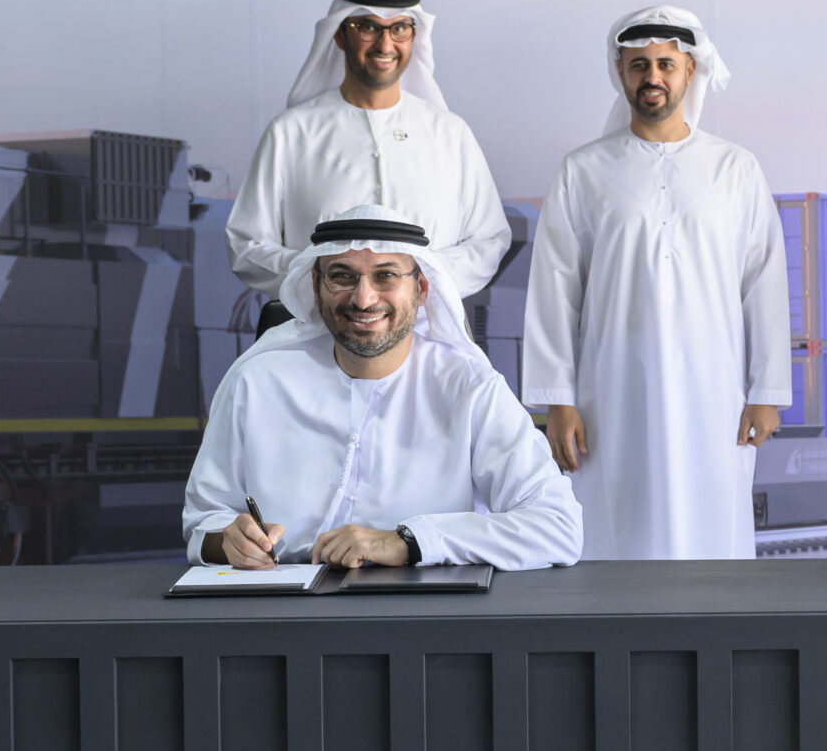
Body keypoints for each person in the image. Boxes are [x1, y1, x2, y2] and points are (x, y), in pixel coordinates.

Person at [520, 6, 792, 559]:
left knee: (712, 532)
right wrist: (557, 402)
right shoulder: (583, 170)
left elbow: (763, 282)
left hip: (715, 395)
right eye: (639, 64)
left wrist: (767, 394)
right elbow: (555, 289)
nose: (652, 77)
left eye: (666, 64)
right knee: (619, 529)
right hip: (613, 396)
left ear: (690, 71)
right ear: (620, 72)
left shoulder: (735, 169)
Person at [184, 206, 580, 570]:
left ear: (421, 289)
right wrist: (228, 541)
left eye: (386, 275)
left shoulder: (470, 388)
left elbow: (557, 526)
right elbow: (205, 520)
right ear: (316, 286)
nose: (363, 298)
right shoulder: (255, 381)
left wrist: (409, 541)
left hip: (422, 613)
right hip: (280, 610)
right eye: (342, 276)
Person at [226, 0, 511, 325]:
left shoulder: (450, 134)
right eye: (368, 27)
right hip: (316, 339)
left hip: (432, 338)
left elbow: (489, 240)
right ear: (340, 35)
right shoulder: (291, 133)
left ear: (414, 36)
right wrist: (324, 276)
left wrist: (416, 279)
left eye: (399, 28)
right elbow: (246, 244)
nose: (385, 44)